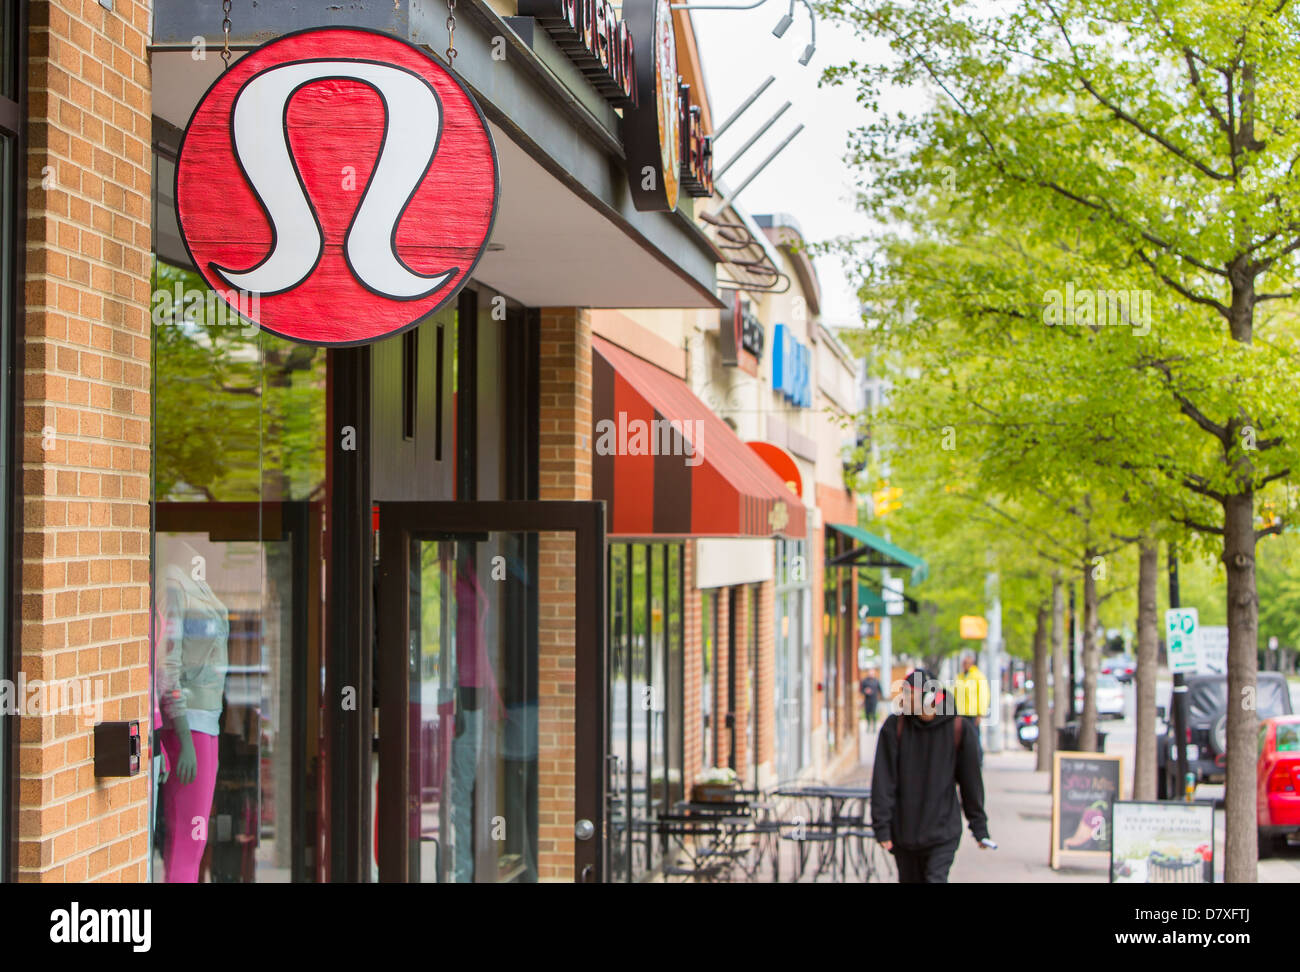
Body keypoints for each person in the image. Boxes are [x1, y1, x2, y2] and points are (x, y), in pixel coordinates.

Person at [871, 668, 991, 883]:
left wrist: (979, 827)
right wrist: (882, 827)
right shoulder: (894, 727)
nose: (904, 700)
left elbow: (970, 781)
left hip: (942, 832)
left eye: (910, 694)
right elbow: (883, 781)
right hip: (904, 832)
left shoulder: (959, 729)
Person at [954, 651, 991, 764]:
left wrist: (980, 713)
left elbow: (984, 695)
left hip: (973, 713)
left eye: (967, 663)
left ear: (972, 664)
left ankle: (978, 760)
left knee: (974, 737)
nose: (965, 665)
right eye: (964, 663)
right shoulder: (959, 677)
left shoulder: (978, 676)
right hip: (961, 713)